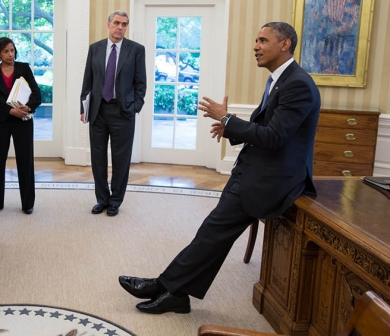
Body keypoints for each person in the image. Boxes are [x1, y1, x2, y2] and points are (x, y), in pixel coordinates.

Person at [118, 22, 321, 314]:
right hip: (253, 171)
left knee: (213, 233)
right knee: (212, 235)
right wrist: (232, 129)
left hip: (271, 181)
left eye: (263, 40)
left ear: (285, 44)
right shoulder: (280, 79)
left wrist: (227, 120)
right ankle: (174, 292)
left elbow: (275, 138)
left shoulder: (298, 84)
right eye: (256, 39)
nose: (256, 46)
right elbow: (268, 128)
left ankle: (164, 286)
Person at [79, 10, 146, 217]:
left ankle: (115, 201)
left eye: (124, 24)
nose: (120, 28)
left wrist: (135, 106)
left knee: (121, 159)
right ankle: (102, 199)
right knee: (97, 158)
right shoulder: (95, 49)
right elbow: (87, 80)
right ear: (108, 24)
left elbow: (141, 83)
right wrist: (84, 107)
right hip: (98, 111)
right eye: (117, 23)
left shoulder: (135, 50)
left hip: (123, 112)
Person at [0, 37, 42, 214]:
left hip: (22, 120)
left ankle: (27, 203)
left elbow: (36, 93)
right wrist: (11, 111)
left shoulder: (24, 68)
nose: (11, 54)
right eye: (6, 51)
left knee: (25, 160)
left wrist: (28, 107)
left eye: (12, 50)